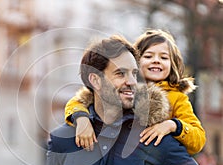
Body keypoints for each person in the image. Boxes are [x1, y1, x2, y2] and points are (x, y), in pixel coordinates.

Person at [47, 35, 213, 165]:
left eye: (134, 74)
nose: (132, 82)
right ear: (95, 81)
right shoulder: (62, 141)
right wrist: (80, 118)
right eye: (120, 73)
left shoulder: (155, 140)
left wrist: (174, 125)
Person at [64, 29, 205, 155]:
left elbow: (198, 138)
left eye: (164, 57)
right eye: (149, 56)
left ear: (173, 64)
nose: (156, 61)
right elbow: (78, 101)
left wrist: (172, 125)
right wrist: (81, 119)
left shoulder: (177, 98)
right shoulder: (122, 89)